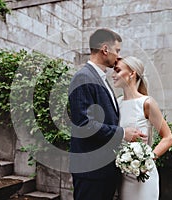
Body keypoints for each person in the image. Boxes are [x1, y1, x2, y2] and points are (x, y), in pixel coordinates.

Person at [68, 29, 146, 200]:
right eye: (117, 50)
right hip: (91, 171)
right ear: (105, 49)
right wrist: (123, 134)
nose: (118, 56)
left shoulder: (101, 78)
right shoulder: (83, 77)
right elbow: (84, 125)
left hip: (104, 170)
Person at [112, 56, 172, 200]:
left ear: (132, 74)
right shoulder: (117, 103)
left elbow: (168, 137)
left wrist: (147, 160)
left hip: (143, 176)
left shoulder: (146, 103)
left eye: (118, 70)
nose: (113, 75)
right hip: (122, 176)